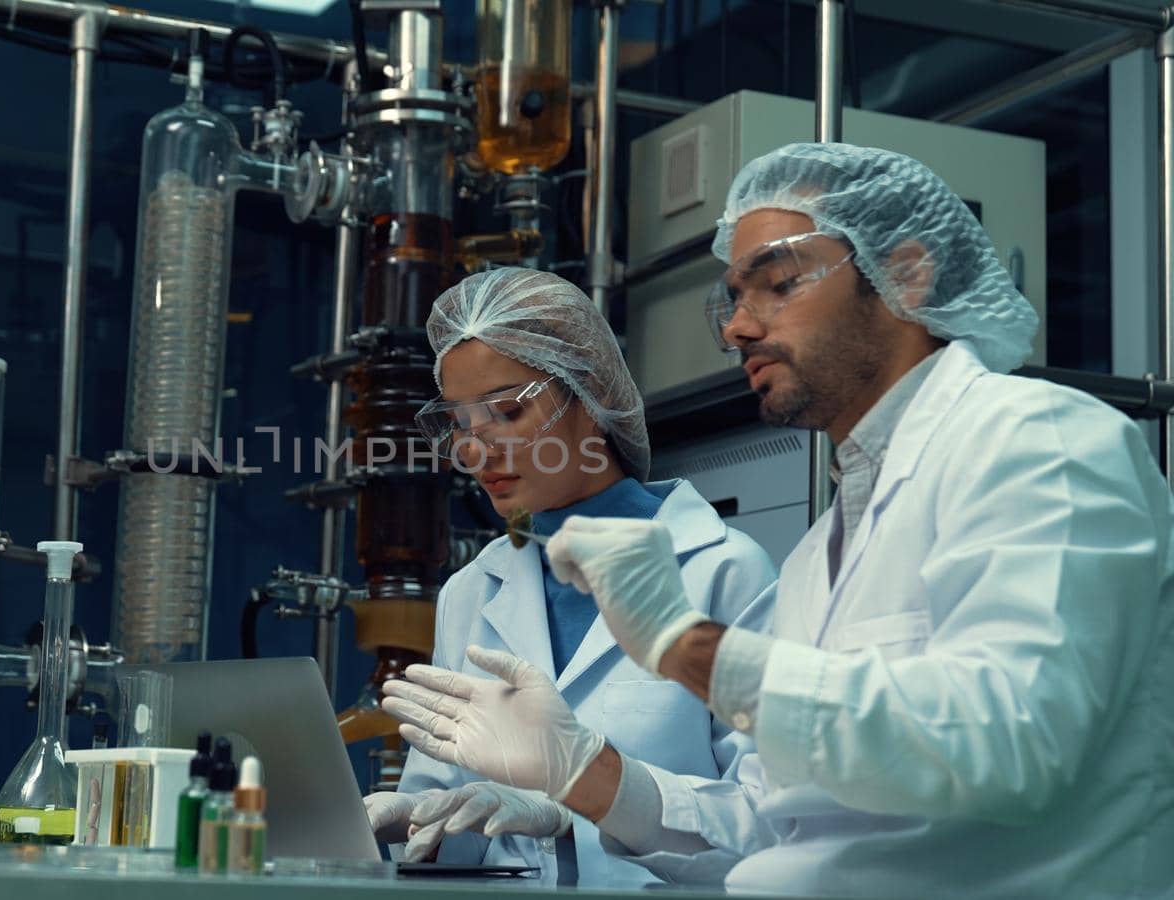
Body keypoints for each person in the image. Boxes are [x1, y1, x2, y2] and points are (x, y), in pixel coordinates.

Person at [380, 144, 1174, 898]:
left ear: (908, 274)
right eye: (732, 297)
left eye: (779, 283)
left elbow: (1011, 742)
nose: (736, 326)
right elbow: (763, 825)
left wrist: (690, 650)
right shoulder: (823, 553)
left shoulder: (1043, 443)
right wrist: (581, 773)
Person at [363, 268, 777, 887]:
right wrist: (413, 818)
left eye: (505, 411)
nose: (475, 451)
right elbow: (448, 814)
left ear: (588, 394)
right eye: (458, 422)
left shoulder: (725, 572)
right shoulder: (471, 591)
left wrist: (574, 812)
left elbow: (767, 826)